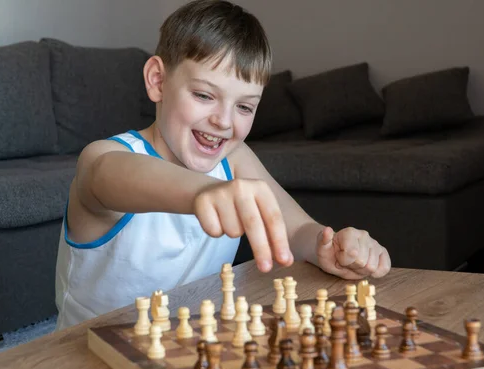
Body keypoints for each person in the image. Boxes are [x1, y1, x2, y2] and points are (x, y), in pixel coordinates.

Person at [54, 0, 391, 330]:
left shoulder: (234, 158)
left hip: (187, 354)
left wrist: (327, 247)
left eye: (244, 107)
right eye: (204, 95)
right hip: (82, 364)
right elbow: (107, 176)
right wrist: (207, 191)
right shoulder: (103, 158)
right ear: (158, 80)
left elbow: (295, 230)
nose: (223, 122)